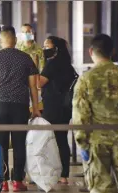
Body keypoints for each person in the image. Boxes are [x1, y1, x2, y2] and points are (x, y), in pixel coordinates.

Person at [0, 26, 41, 192]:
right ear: (15, 40)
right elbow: (33, 87)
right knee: (20, 143)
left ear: (0, 40)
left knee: (1, 145)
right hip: (20, 106)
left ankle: (3, 181)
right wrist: (35, 108)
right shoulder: (26, 58)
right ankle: (17, 181)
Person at [73, 34, 118, 193]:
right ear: (113, 52)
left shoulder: (86, 79)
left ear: (91, 52)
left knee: (102, 191)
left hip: (96, 142)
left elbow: (80, 115)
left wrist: (82, 144)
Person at [38, 36, 77, 184]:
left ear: (56, 49)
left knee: (48, 139)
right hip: (65, 108)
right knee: (61, 139)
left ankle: (49, 172)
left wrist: (34, 68)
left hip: (52, 107)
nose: (44, 49)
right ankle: (64, 174)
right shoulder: (68, 65)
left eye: (47, 46)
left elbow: (39, 84)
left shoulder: (51, 64)